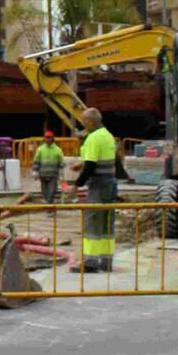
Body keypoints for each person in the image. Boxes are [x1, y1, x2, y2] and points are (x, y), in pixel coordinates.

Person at [68, 108, 118, 274]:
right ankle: (106, 261)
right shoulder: (108, 136)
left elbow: (90, 165)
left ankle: (89, 262)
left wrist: (76, 185)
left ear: (90, 121)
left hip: (97, 185)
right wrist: (81, 164)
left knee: (92, 224)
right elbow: (101, 160)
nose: (83, 125)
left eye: (84, 122)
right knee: (106, 224)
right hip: (110, 184)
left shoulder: (93, 138)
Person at [33, 131, 65, 204]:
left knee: (52, 191)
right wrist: (35, 171)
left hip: (53, 175)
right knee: (44, 192)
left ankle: (49, 209)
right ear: (44, 138)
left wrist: (61, 174)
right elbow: (36, 161)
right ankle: (48, 205)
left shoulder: (58, 150)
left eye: (49, 137)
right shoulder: (40, 149)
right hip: (43, 175)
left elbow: (61, 164)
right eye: (46, 137)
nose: (48, 139)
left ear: (52, 138)